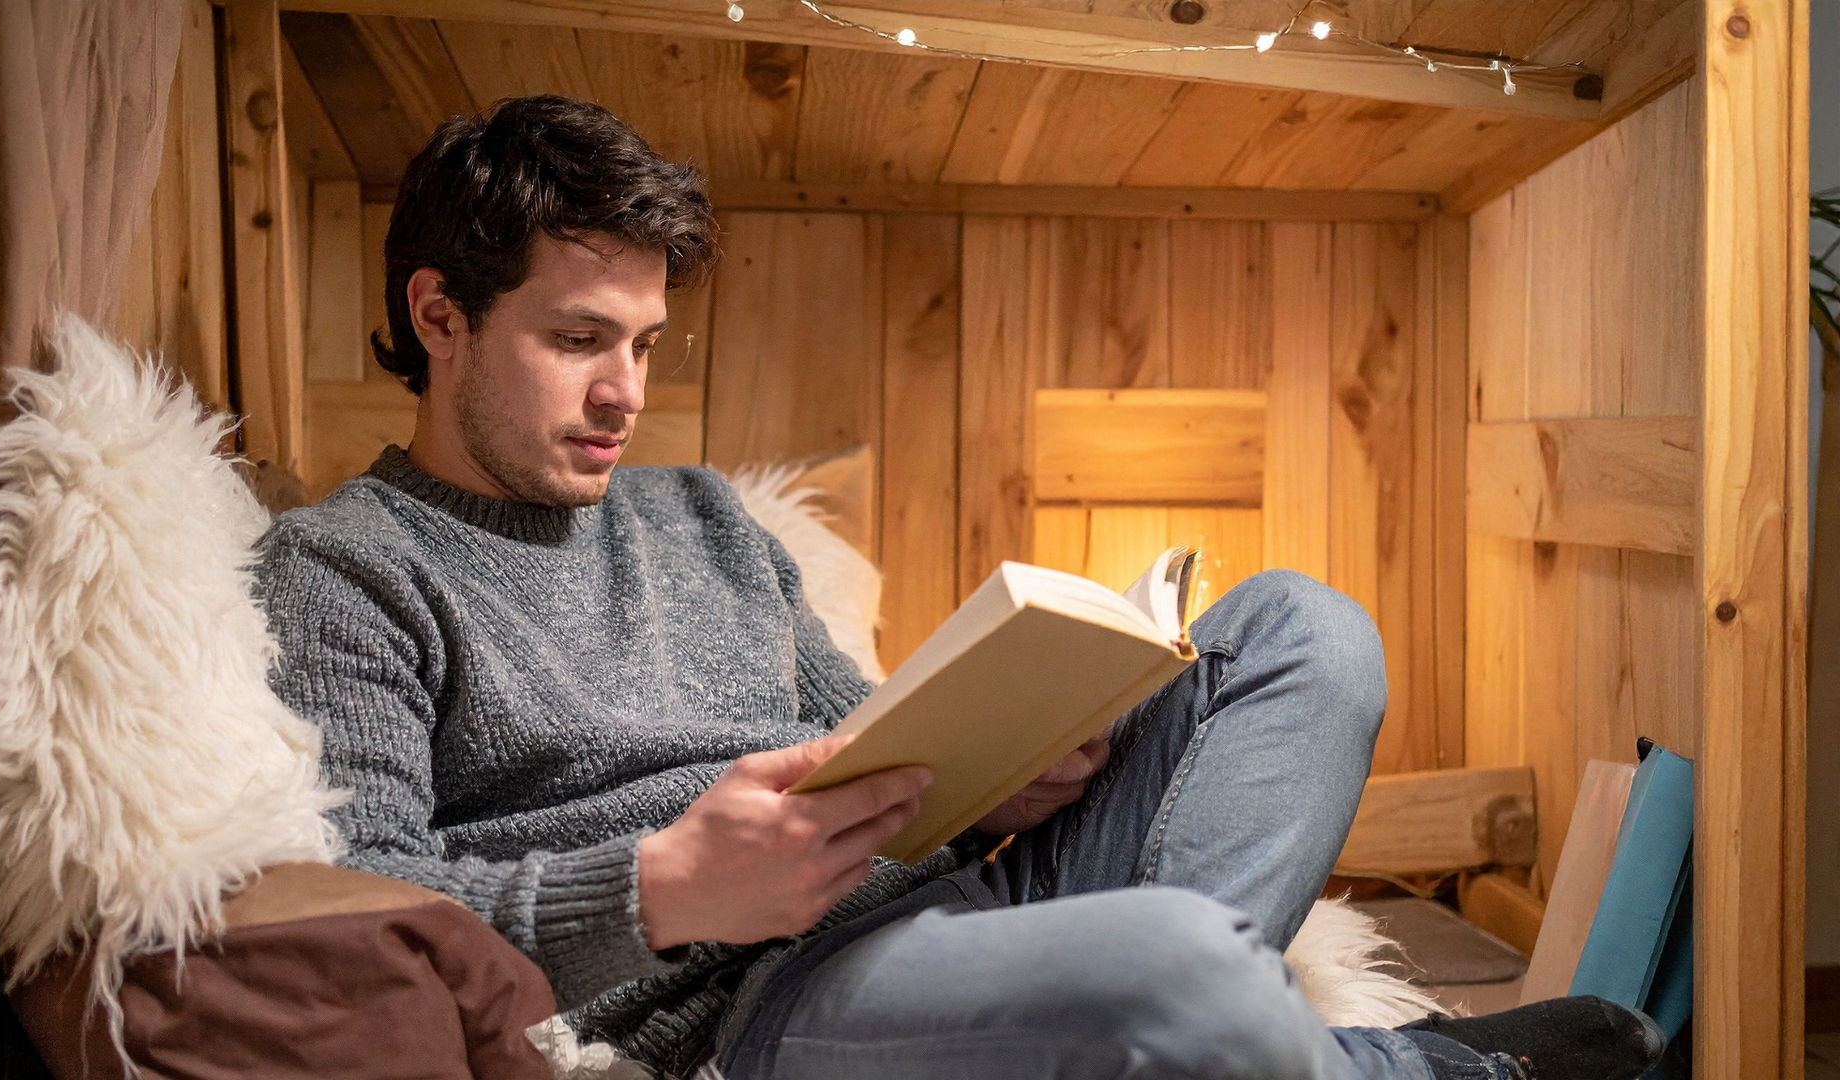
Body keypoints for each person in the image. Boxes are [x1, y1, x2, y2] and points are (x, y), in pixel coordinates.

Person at [256, 94, 1667, 1080]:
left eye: (645, 342)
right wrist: (662, 889)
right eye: (579, 340)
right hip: (761, 1002)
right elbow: (365, 916)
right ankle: (1409, 1071)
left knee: (1308, 630)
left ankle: (1203, 1045)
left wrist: (1004, 770)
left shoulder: (707, 519)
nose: (627, 392)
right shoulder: (348, 569)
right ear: (438, 314)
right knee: (1186, 968)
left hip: (962, 890)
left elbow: (859, 738)